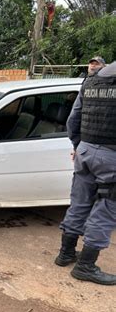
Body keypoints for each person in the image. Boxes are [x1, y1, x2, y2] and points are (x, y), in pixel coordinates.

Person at [55, 60, 116, 285]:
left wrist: (78, 146)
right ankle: (86, 266)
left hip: (85, 151)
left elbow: (74, 119)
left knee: (79, 202)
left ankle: (65, 253)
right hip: (111, 156)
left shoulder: (92, 79)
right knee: (106, 210)